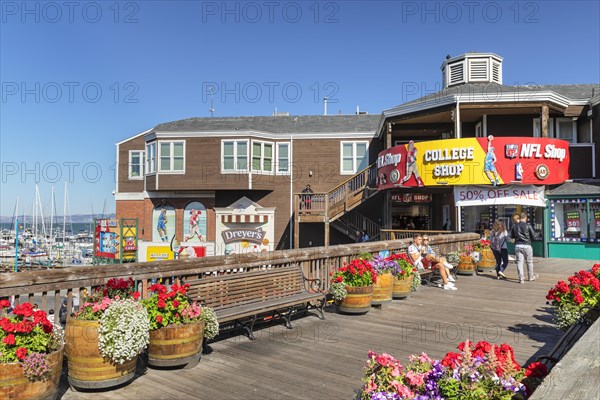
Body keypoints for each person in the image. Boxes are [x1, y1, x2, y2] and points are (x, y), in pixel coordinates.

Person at [510, 212, 538, 284]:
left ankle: (521, 279)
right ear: (526, 218)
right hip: (527, 245)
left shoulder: (514, 226)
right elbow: (534, 236)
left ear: (519, 218)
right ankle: (531, 277)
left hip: (518, 245)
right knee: (529, 262)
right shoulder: (528, 225)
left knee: (519, 262)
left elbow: (512, 236)